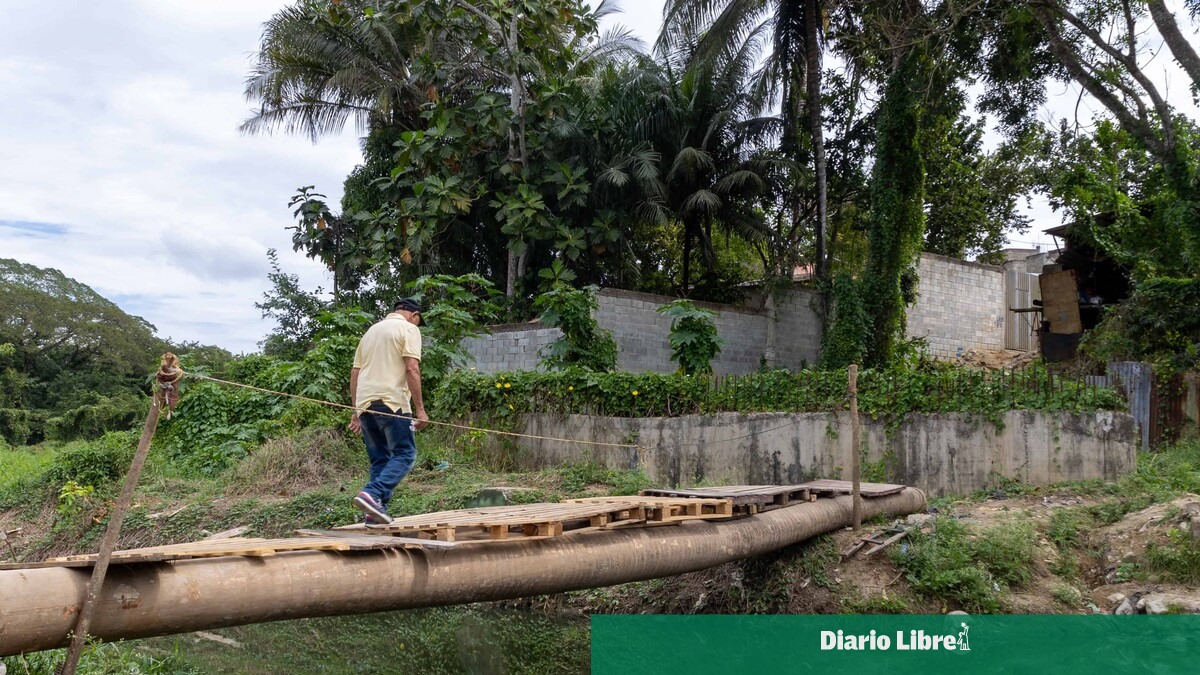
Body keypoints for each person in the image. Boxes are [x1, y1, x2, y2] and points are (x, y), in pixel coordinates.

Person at [348, 298, 429, 524]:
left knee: (380, 460)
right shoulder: (409, 329)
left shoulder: (370, 332)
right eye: (418, 320)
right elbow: (411, 368)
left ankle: (373, 513)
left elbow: (355, 374)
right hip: (392, 402)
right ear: (414, 315)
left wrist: (356, 412)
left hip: (365, 405)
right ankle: (372, 493)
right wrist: (420, 410)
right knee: (405, 454)